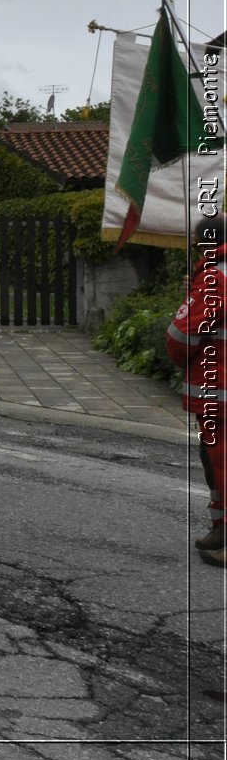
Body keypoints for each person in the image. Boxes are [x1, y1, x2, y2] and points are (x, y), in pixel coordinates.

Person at [167, 214, 227, 567]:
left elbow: (181, 336)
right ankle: (221, 527)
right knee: (213, 461)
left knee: (220, 461)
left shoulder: (215, 277)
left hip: (219, 387)